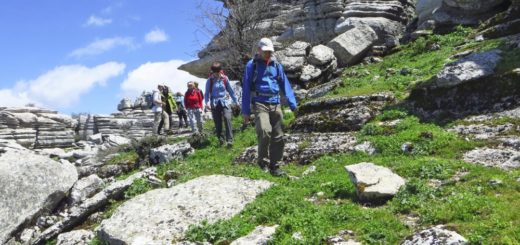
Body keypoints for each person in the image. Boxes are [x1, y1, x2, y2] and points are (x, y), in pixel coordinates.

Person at [242, 37, 298, 176]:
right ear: (259, 50)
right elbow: (246, 87)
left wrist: (293, 104)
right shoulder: (252, 65)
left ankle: (275, 166)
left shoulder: (276, 65)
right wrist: (246, 111)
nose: (268, 54)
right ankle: (262, 161)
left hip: (275, 102)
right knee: (265, 131)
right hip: (260, 102)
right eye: (265, 51)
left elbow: (285, 84)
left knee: (278, 135)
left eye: (270, 51)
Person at [205, 62, 238, 146]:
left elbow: (230, 91)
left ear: (220, 70)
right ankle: (221, 139)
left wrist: (236, 101)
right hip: (214, 103)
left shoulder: (225, 79)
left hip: (225, 102)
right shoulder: (210, 80)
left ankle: (230, 140)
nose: (216, 73)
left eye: (217, 71)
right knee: (218, 123)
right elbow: (207, 93)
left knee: (227, 118)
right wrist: (207, 103)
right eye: (214, 71)